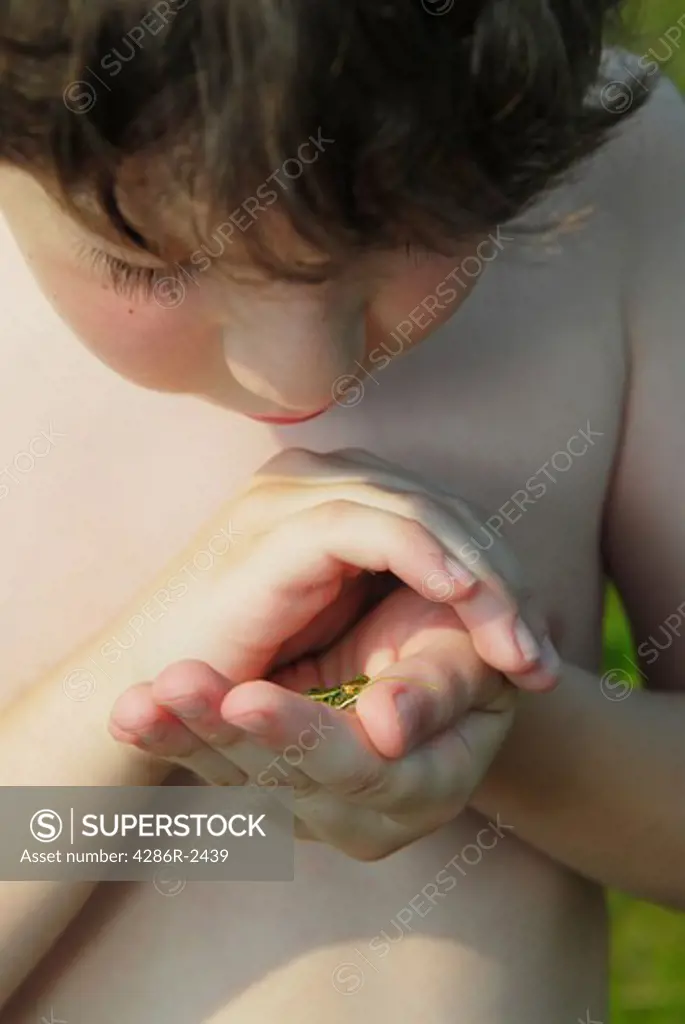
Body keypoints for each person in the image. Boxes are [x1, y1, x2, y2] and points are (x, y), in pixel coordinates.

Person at [0, 2, 683, 1021]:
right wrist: (149, 676)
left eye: (402, 222)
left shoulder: (614, 170)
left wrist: (503, 725)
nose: (301, 374)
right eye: (151, 261)